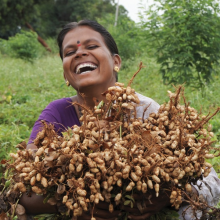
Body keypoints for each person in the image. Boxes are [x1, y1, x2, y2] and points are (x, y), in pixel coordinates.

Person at [21, 20, 220, 220]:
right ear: (65, 72)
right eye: (70, 52)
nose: (80, 53)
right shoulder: (56, 114)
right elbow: (22, 189)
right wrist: (71, 204)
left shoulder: (145, 111)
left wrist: (167, 196)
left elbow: (211, 182)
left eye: (92, 46)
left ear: (116, 62)